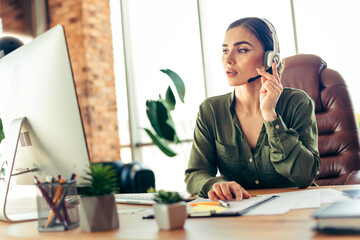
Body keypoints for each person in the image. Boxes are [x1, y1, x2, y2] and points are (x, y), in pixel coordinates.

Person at [184, 17, 321, 202]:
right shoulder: (211, 110)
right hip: (241, 216)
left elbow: (304, 176)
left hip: (296, 212)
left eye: (241, 50)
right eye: (225, 50)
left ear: (270, 58)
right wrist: (214, 185)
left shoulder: (297, 102)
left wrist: (271, 116)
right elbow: (195, 173)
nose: (228, 59)